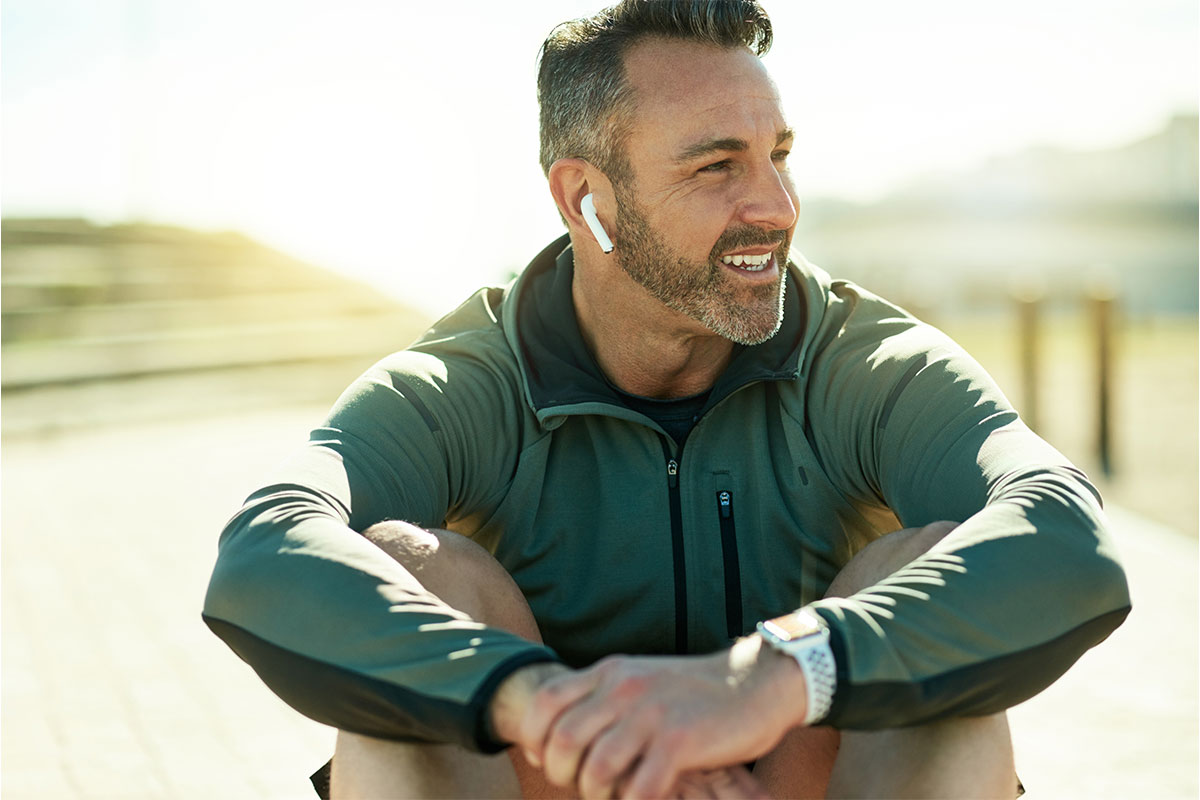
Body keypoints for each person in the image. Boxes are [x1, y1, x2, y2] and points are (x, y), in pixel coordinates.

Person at [203, 2, 1131, 797]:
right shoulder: (469, 380)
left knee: (923, 560)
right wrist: (551, 708)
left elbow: (1066, 535)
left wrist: (769, 679)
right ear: (586, 199)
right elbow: (266, 547)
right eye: (717, 166)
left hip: (797, 780)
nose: (775, 205)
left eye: (779, 155)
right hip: (560, 778)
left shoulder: (860, 359)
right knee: (417, 566)